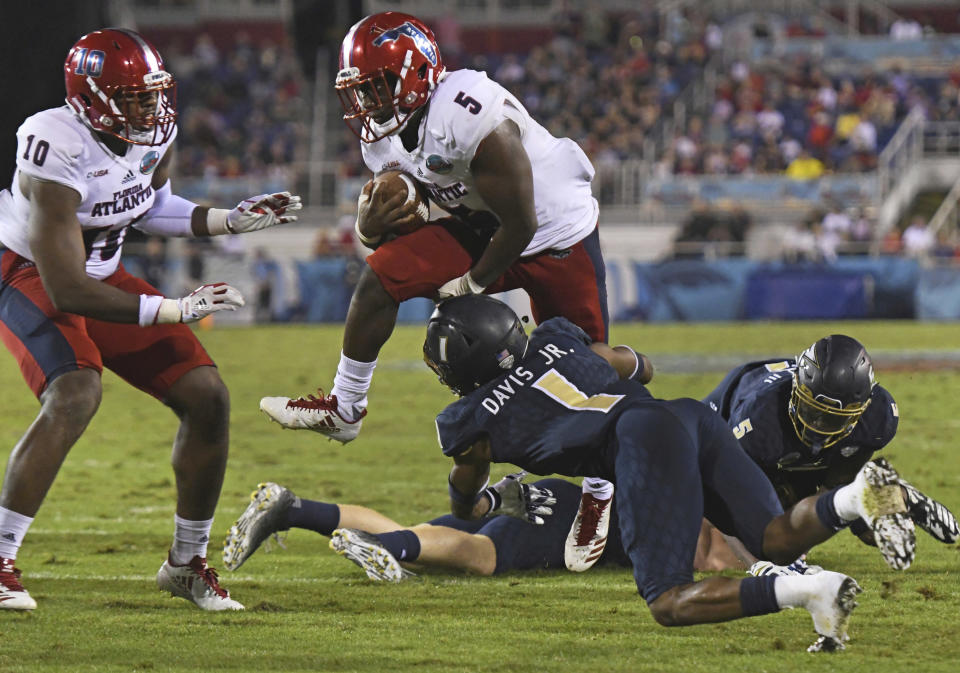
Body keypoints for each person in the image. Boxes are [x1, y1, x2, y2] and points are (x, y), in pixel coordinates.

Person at [259, 12, 621, 570]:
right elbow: (407, 212)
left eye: (376, 87)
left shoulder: (469, 111)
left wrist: (471, 284)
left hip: (552, 233)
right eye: (360, 90)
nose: (368, 103)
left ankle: (599, 489)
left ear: (415, 75)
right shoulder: (380, 136)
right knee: (381, 276)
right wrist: (369, 225)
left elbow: (520, 221)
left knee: (591, 368)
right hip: (479, 223)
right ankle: (345, 406)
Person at [418, 295, 918, 652]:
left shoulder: (471, 421)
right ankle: (855, 498)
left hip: (638, 442)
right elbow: (640, 367)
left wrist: (489, 503)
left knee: (669, 601)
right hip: (687, 415)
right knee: (776, 539)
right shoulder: (556, 340)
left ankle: (812, 591)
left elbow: (464, 500)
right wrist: (616, 369)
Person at [0, 28, 301, 612]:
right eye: (132, 97)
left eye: (151, 93)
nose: (149, 107)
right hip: (30, 273)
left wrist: (229, 221)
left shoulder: (156, 130)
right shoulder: (50, 143)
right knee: (76, 391)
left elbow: (152, 206)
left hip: (103, 269)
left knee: (207, 396)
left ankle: (186, 564)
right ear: (88, 98)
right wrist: (173, 307)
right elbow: (65, 286)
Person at [702, 334, 959, 554]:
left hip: (803, 451)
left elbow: (834, 484)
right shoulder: (758, 420)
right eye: (812, 411)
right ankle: (873, 493)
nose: (818, 427)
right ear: (795, 392)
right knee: (759, 530)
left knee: (869, 532)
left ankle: (889, 495)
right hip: (738, 424)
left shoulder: (877, 415)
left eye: (832, 419)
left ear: (862, 409)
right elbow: (728, 501)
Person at [220, 478, 746, 582]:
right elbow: (715, 559)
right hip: (570, 519)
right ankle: (377, 546)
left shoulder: (679, 480)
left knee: (422, 534)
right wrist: (768, 568)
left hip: (555, 495)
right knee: (481, 554)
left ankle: (294, 509)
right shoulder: (707, 519)